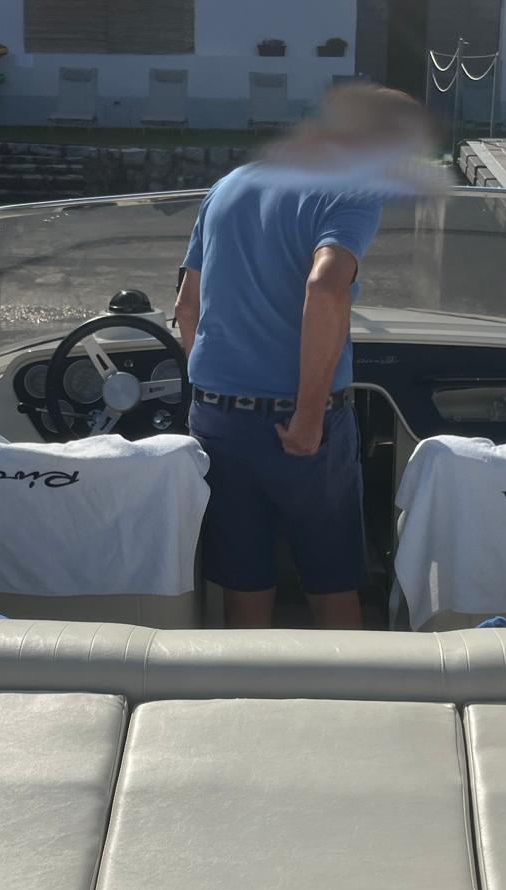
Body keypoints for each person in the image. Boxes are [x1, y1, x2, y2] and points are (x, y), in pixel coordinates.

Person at [174, 84, 434, 629]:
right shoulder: (351, 192)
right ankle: (343, 683)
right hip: (298, 425)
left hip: (217, 418)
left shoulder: (229, 185)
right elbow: (325, 286)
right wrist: (310, 415)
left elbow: (186, 308)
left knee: (244, 583)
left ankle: (252, 679)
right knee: (331, 582)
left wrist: (210, 395)